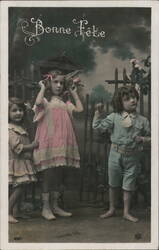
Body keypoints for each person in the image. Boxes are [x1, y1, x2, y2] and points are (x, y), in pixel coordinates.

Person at [92, 86, 150, 222]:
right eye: (127, 99)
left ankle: (126, 212)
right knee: (113, 183)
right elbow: (98, 128)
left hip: (133, 156)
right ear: (120, 102)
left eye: (134, 97)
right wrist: (97, 114)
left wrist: (142, 139)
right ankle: (112, 209)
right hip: (115, 155)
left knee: (128, 185)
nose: (133, 100)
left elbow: (152, 138)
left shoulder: (143, 120)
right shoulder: (113, 117)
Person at [33, 69, 83, 220]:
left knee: (59, 174)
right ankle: (45, 207)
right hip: (50, 142)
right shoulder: (46, 102)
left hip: (62, 142)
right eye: (55, 82)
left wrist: (74, 93)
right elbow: (37, 103)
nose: (59, 85)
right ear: (49, 83)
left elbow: (80, 110)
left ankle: (55, 205)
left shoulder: (65, 103)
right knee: (48, 174)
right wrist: (42, 88)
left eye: (62, 82)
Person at [9, 97, 39, 223]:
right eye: (14, 110)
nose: (18, 113)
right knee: (19, 187)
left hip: (22, 162)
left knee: (22, 186)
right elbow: (17, 148)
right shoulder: (9, 129)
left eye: (20, 110)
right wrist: (31, 146)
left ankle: (16, 211)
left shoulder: (20, 127)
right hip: (16, 162)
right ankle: (7, 211)